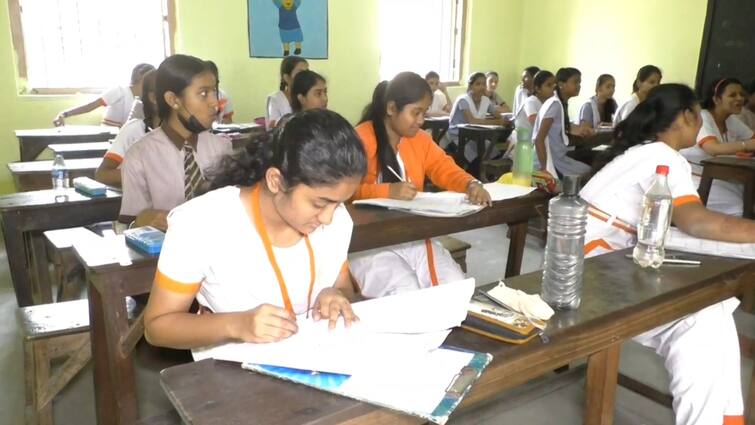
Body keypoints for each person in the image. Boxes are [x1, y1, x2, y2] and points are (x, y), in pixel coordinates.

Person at [582, 83, 755, 425]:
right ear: (687, 116)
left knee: (714, 311)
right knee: (699, 321)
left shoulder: (648, 151)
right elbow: (695, 221)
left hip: (607, 256)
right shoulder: (662, 156)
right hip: (591, 270)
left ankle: (724, 419)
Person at [143, 109, 367, 354]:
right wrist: (238, 325)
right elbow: (157, 327)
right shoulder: (202, 223)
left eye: (340, 202)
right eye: (319, 203)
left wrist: (335, 294)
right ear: (275, 181)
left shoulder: (337, 220)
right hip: (232, 371)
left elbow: (344, 287)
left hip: (318, 359)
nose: (328, 217)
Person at [349, 72, 491, 298]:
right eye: (415, 112)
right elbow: (343, 192)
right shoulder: (359, 139)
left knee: (455, 286)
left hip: (410, 234)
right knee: (406, 292)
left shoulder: (420, 139)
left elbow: (444, 167)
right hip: (366, 242)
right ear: (391, 108)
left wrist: (470, 183)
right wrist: (387, 191)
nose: (421, 120)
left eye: (424, 112)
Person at [118, 54, 232, 231]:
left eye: (214, 91)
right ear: (173, 100)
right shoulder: (139, 156)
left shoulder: (222, 148)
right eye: (203, 94)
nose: (215, 104)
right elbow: (130, 228)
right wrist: (142, 221)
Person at [679, 78, 755, 215]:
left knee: (750, 198)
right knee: (740, 207)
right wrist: (746, 145)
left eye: (741, 94)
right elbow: (713, 148)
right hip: (695, 178)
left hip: (719, 177)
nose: (740, 98)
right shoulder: (703, 117)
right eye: (733, 95)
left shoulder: (730, 120)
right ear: (716, 99)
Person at [95, 70, 159, 187]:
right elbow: (102, 174)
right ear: (153, 98)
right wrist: (148, 175)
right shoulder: (136, 130)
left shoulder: (185, 132)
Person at [532, 67, 593, 178]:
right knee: (589, 175)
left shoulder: (560, 103)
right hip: (549, 162)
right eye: (575, 82)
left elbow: (560, 127)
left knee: (589, 170)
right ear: (561, 85)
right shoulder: (555, 104)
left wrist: (580, 129)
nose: (579, 85)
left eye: (580, 82)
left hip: (558, 159)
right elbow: (539, 139)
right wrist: (545, 170)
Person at [53, 63, 155, 127]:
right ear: (142, 76)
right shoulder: (119, 91)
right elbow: (90, 106)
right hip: (110, 139)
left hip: (129, 141)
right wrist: (64, 114)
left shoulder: (147, 98)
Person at [447, 72, 511, 166]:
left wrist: (504, 120)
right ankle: (476, 177)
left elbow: (498, 115)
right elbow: (472, 121)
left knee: (494, 154)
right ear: (470, 86)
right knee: (477, 161)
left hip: (477, 137)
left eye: (484, 84)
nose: (482, 87)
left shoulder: (485, 100)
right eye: (478, 84)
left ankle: (487, 176)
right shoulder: (463, 100)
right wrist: (497, 122)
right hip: (458, 137)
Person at [266, 56, 309, 129]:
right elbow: (272, 125)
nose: (305, 76)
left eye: (307, 72)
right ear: (286, 77)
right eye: (300, 72)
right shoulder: (275, 98)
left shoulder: (310, 95)